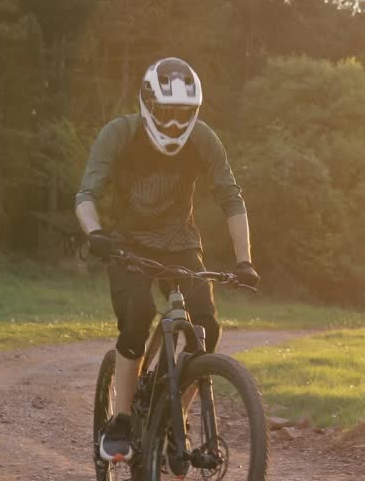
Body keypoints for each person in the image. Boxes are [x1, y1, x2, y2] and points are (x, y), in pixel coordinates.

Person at [75, 56, 259, 463]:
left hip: (180, 245)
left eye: (185, 114)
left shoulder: (204, 139)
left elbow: (231, 198)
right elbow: (86, 195)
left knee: (206, 327)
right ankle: (121, 419)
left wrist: (244, 260)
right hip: (128, 246)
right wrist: (96, 235)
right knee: (138, 316)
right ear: (147, 103)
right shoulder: (119, 134)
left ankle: (179, 415)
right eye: (166, 112)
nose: (175, 123)